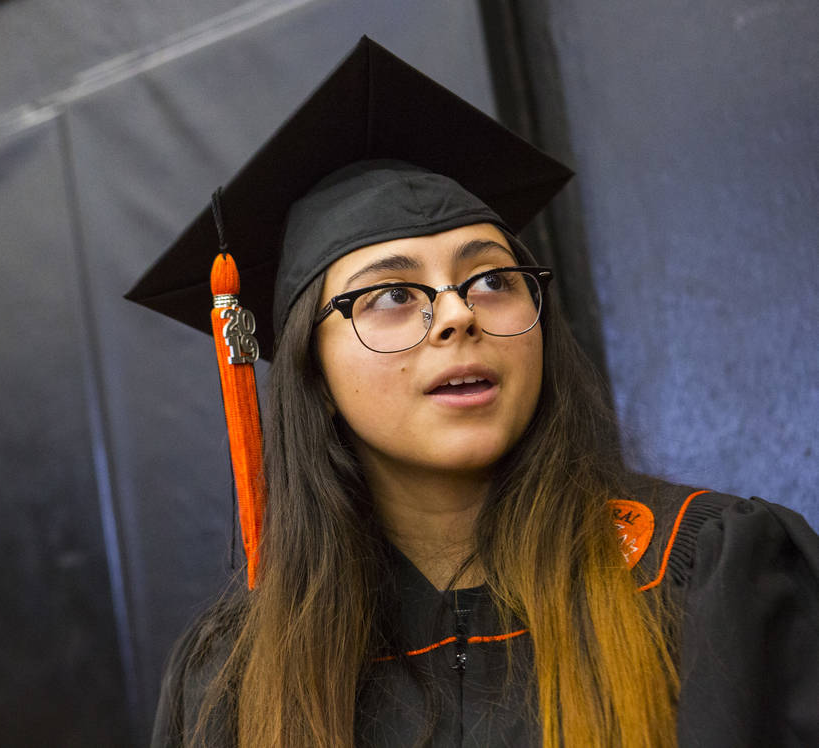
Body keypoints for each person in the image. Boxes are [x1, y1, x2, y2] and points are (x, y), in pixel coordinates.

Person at [128, 38, 819, 747]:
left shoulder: (706, 577)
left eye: (491, 280)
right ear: (316, 375)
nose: (459, 314)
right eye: (394, 294)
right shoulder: (238, 679)